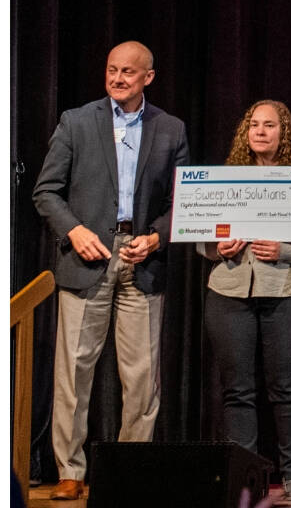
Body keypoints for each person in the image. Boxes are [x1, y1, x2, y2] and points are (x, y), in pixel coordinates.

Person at [32, 41, 190, 501]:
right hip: (87, 258)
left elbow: (182, 200)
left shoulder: (171, 129)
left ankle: (130, 469)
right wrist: (74, 231)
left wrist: (158, 236)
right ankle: (70, 470)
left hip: (143, 260)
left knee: (142, 376)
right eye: (112, 70)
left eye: (128, 72)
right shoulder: (76, 121)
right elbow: (46, 192)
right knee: (74, 372)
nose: (118, 78)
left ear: (148, 78)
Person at [198, 100, 291, 503]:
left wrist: (287, 250)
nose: (260, 131)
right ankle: (245, 481)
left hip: (290, 292)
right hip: (229, 291)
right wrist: (216, 246)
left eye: (270, 125)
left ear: (285, 133)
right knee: (237, 391)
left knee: (289, 389)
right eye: (254, 125)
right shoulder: (225, 179)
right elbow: (200, 235)